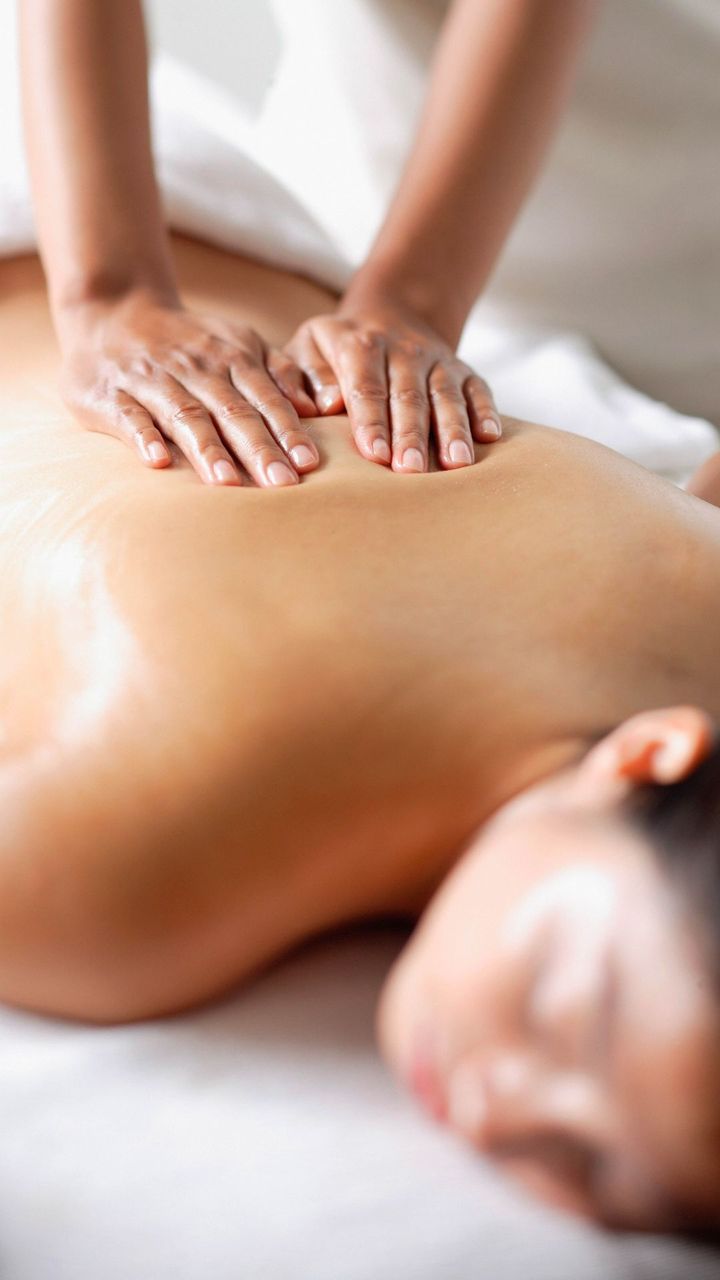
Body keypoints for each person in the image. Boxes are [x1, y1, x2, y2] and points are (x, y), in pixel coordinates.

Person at [1, 237, 720, 1231]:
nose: (502, 1104)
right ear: (648, 755)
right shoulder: (127, 886)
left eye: (604, 1175)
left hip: (222, 237)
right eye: (568, 1007)